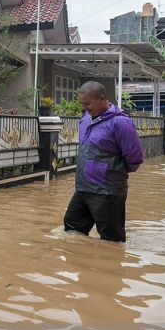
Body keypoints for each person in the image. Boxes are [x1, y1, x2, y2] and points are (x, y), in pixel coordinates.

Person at [64, 81, 144, 242]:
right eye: (82, 104)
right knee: (72, 227)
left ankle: (111, 265)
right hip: (83, 187)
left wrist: (112, 172)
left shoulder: (121, 122)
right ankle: (80, 265)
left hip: (107, 191)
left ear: (102, 99)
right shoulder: (85, 119)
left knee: (111, 239)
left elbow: (134, 158)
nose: (85, 107)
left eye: (88, 103)